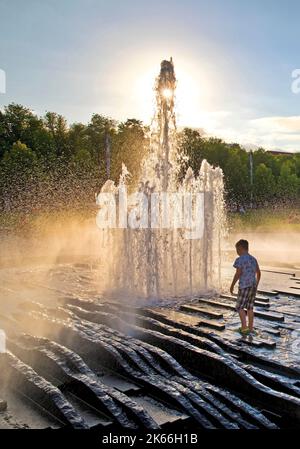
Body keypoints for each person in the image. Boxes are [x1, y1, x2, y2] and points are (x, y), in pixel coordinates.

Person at [230, 239, 261, 336]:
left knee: (239, 307)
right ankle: (250, 328)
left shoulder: (240, 259)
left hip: (244, 286)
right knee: (250, 307)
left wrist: (232, 285)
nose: (237, 252)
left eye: (237, 250)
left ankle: (244, 328)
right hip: (253, 286)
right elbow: (258, 272)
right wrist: (256, 284)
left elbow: (238, 273)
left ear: (240, 248)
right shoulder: (253, 259)